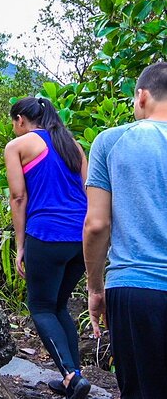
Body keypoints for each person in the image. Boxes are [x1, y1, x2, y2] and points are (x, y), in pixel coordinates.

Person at [84, 62, 167, 398]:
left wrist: (95, 288)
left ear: (141, 96)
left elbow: (97, 224)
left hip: (135, 288)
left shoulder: (110, 142)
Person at [4, 97, 91, 399]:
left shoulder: (18, 146)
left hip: (47, 234)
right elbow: (89, 189)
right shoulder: (71, 145)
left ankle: (69, 374)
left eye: (13, 123)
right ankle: (74, 378)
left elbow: (18, 198)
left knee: (41, 308)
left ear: (20, 120)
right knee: (58, 306)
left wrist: (20, 245)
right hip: (81, 238)